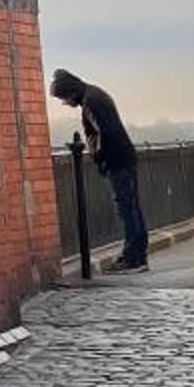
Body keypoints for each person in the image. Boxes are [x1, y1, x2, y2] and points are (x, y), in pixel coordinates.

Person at [51, 68, 148, 271]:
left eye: (63, 98)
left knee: (127, 210)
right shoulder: (94, 94)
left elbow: (105, 133)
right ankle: (137, 256)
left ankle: (133, 259)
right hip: (124, 157)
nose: (65, 103)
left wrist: (99, 158)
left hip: (117, 161)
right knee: (132, 209)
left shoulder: (91, 102)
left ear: (70, 92)